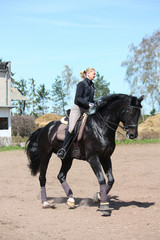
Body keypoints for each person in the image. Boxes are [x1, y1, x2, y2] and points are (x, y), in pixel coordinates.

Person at [57, 67, 96, 160]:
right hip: (77, 109)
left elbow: (91, 100)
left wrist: (96, 102)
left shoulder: (92, 86)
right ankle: (63, 150)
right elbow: (77, 99)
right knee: (72, 128)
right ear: (88, 74)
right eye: (93, 73)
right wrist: (88, 104)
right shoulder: (81, 84)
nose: (95, 75)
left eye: (95, 74)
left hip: (86, 110)